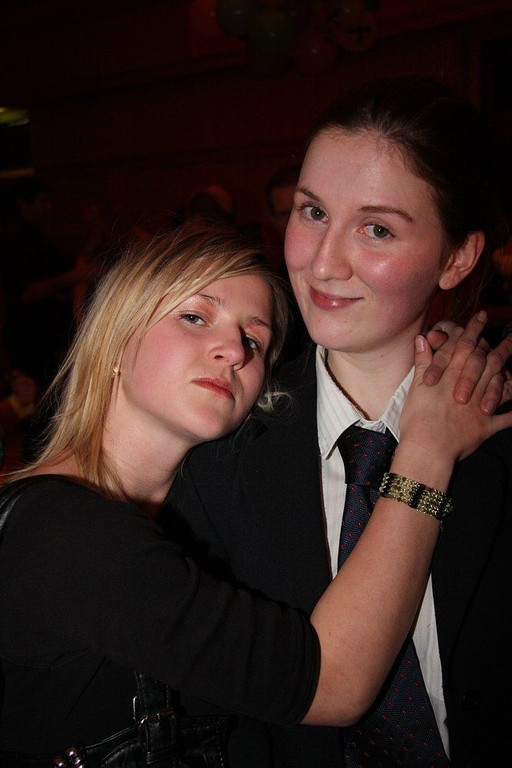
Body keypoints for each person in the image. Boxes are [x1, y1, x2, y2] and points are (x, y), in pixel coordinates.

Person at [0, 218, 508, 766]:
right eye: (195, 317)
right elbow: (331, 683)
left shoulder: (190, 520)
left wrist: (427, 349)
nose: (233, 350)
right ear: (116, 336)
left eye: (254, 339)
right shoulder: (58, 530)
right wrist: (428, 452)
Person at [170, 77, 512, 767]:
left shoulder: (500, 426)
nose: (323, 263)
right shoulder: (214, 446)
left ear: (457, 258)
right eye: (314, 212)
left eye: (377, 228)